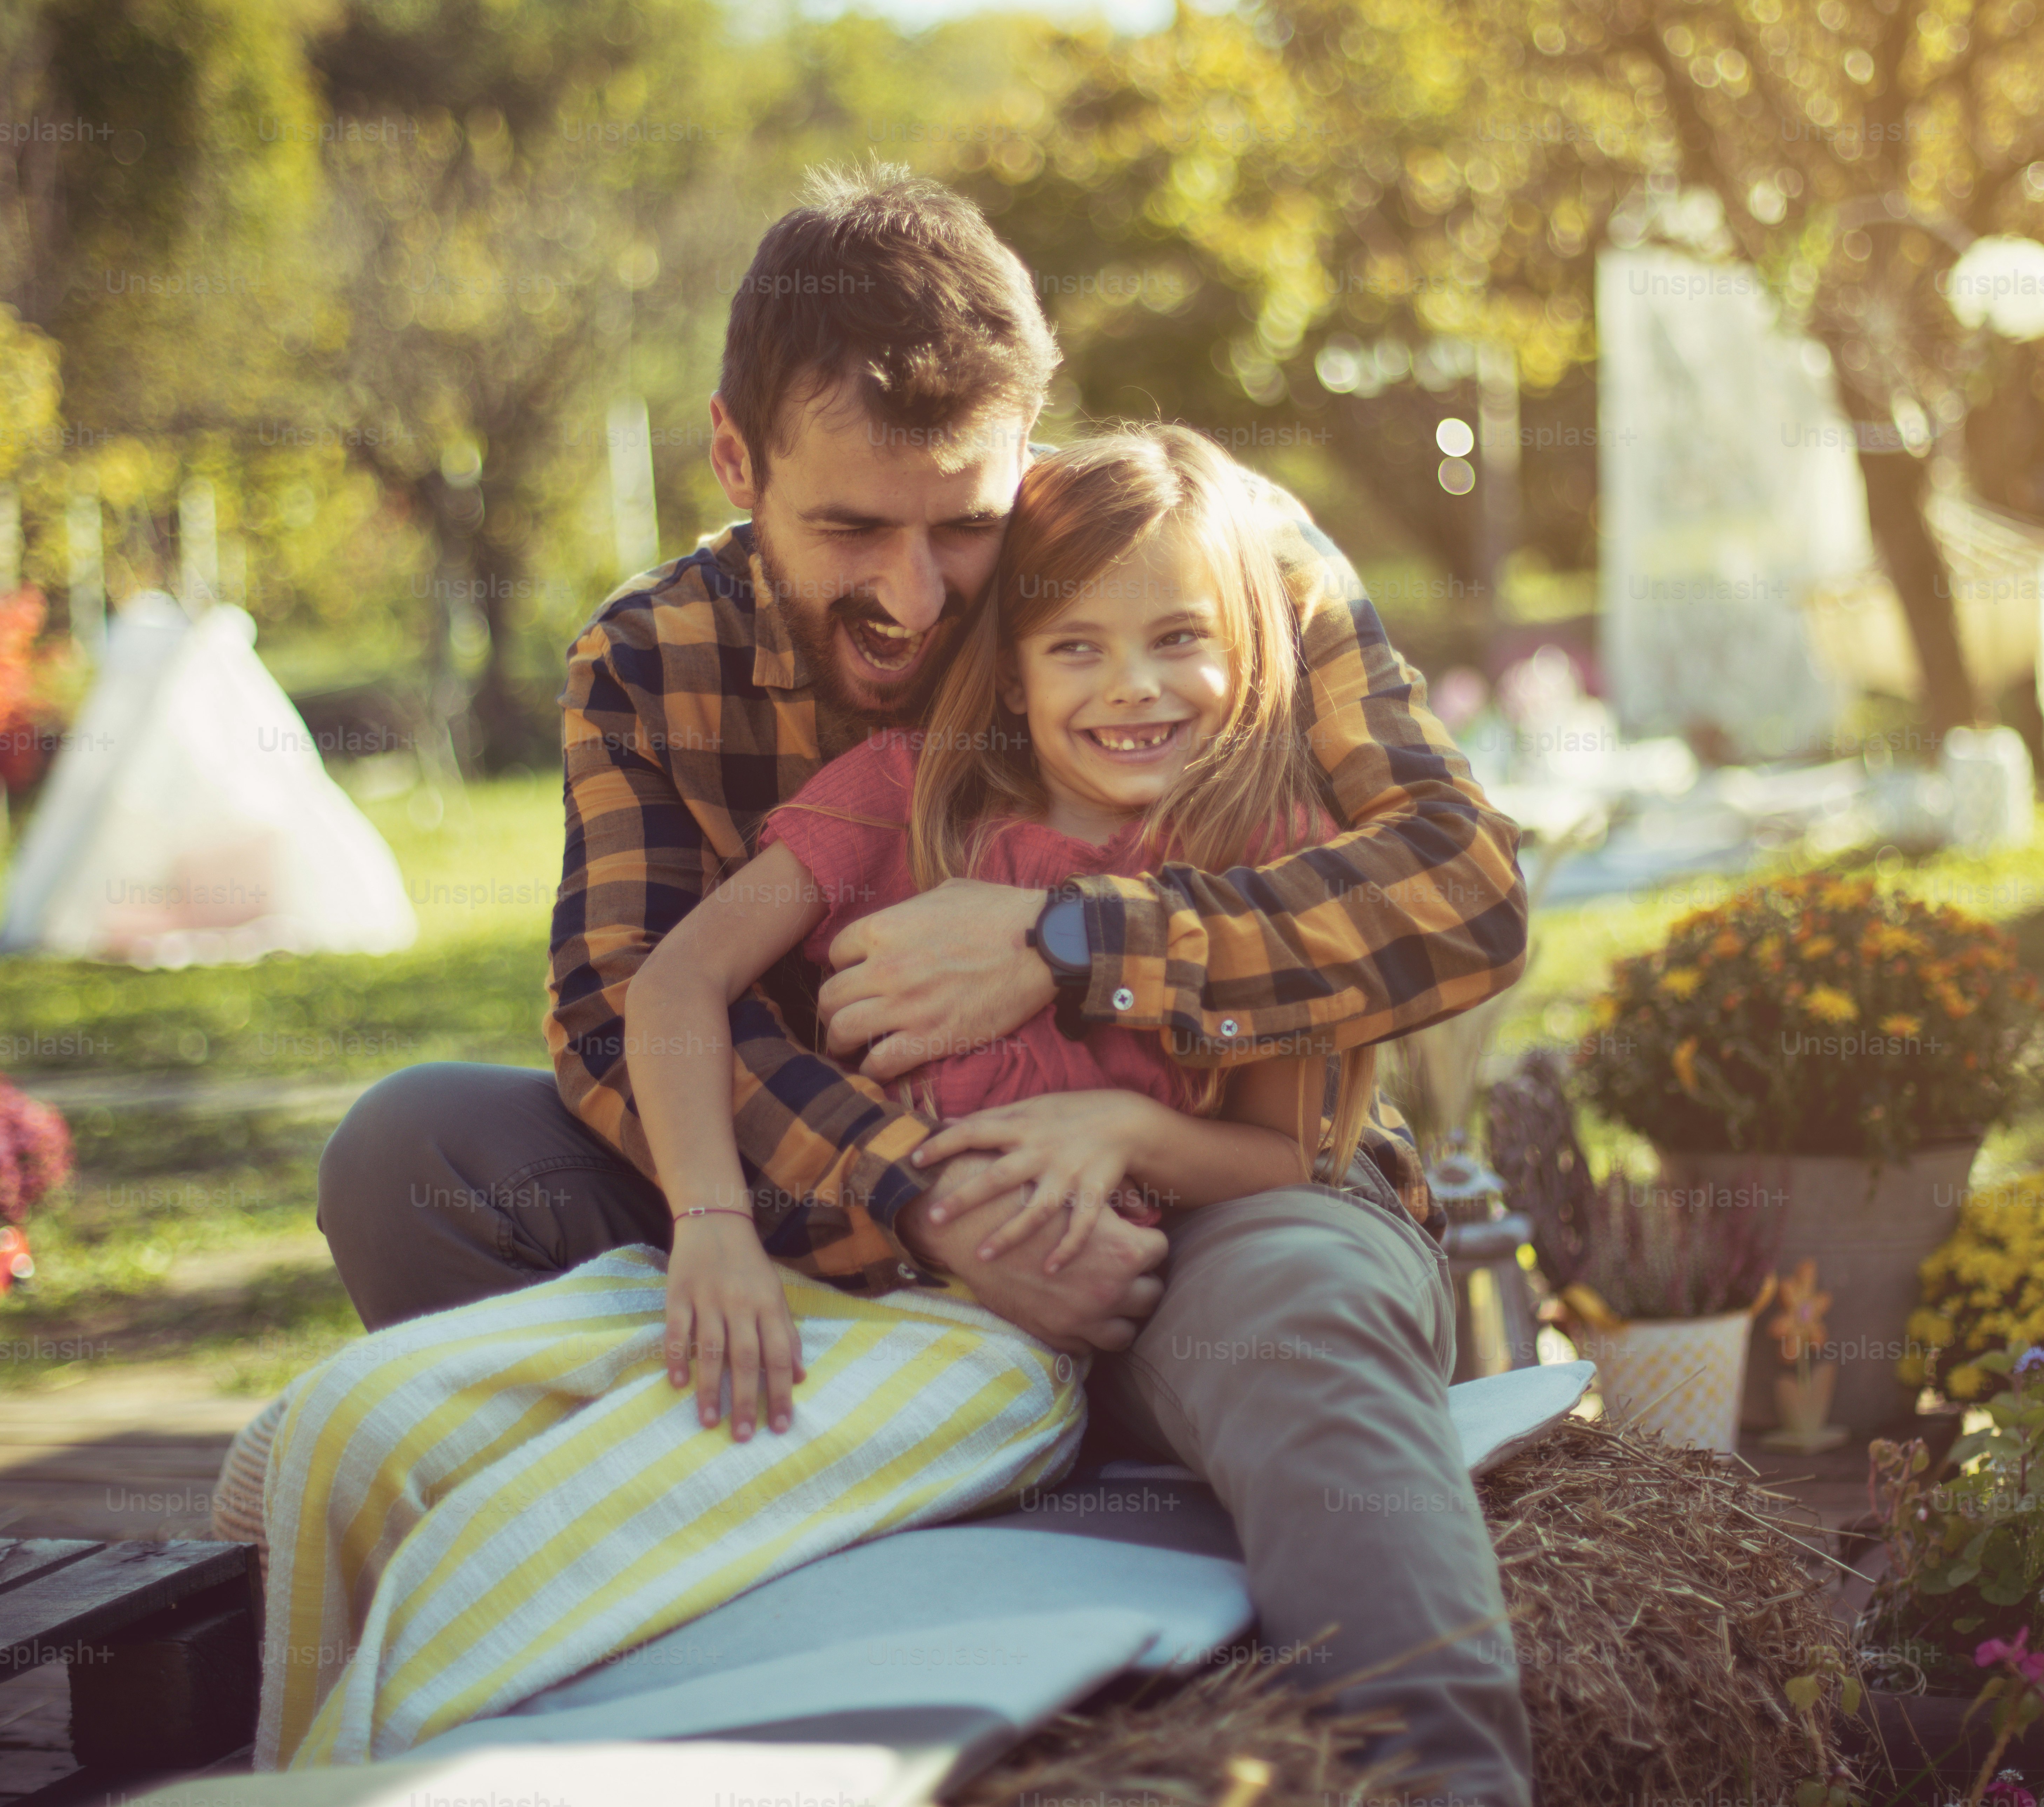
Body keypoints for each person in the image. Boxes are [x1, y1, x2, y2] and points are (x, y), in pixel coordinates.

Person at [316, 164, 1534, 1802]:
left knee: (1307, 1300)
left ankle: (1435, 1776)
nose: (911, 594)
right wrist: (923, 1200)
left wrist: (1075, 943)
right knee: (418, 1156)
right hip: (848, 1250)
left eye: (965, 525)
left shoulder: (1210, 565)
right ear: (735, 457)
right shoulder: (651, 657)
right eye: (847, 530)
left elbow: (1459, 890)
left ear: (1026, 441)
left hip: (1200, 1203)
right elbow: (628, 1007)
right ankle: (703, 1561)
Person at [631, 427, 1374, 1442]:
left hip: (1026, 1356)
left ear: (1242, 651)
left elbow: (1289, 1156)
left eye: (1178, 638)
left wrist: (1127, 1132)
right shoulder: (903, 796)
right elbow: (677, 982)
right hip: (849, 1275)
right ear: (1015, 675)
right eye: (1078, 646)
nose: (1132, 686)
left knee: (711, 1463)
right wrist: (710, 1225)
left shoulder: (1264, 853)